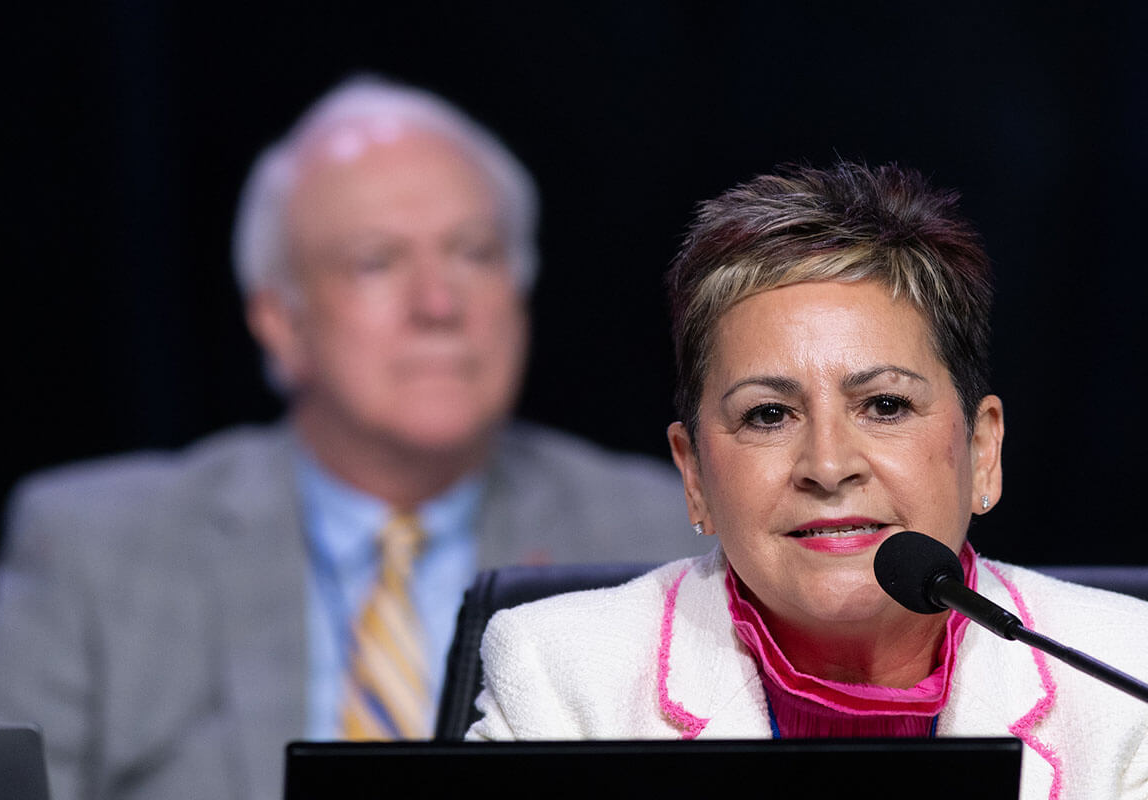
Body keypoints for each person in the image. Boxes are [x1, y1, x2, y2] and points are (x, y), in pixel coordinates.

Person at [0, 77, 706, 800]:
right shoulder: (98, 548)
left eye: (474, 252)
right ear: (280, 322)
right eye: (376, 261)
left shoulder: (664, 533)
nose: (438, 303)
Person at [468, 163, 1148, 798]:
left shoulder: (1127, 677)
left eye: (885, 406)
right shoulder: (559, 677)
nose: (827, 466)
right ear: (695, 475)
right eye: (768, 415)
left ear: (982, 452)